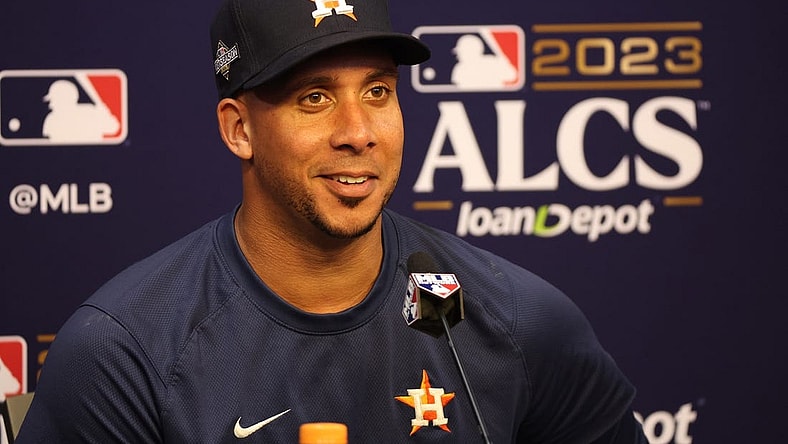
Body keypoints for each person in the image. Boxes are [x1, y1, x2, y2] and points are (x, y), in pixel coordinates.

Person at [17, 0, 648, 442]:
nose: (358, 132)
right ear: (239, 130)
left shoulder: (516, 321)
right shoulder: (124, 352)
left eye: (378, 92)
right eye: (314, 98)